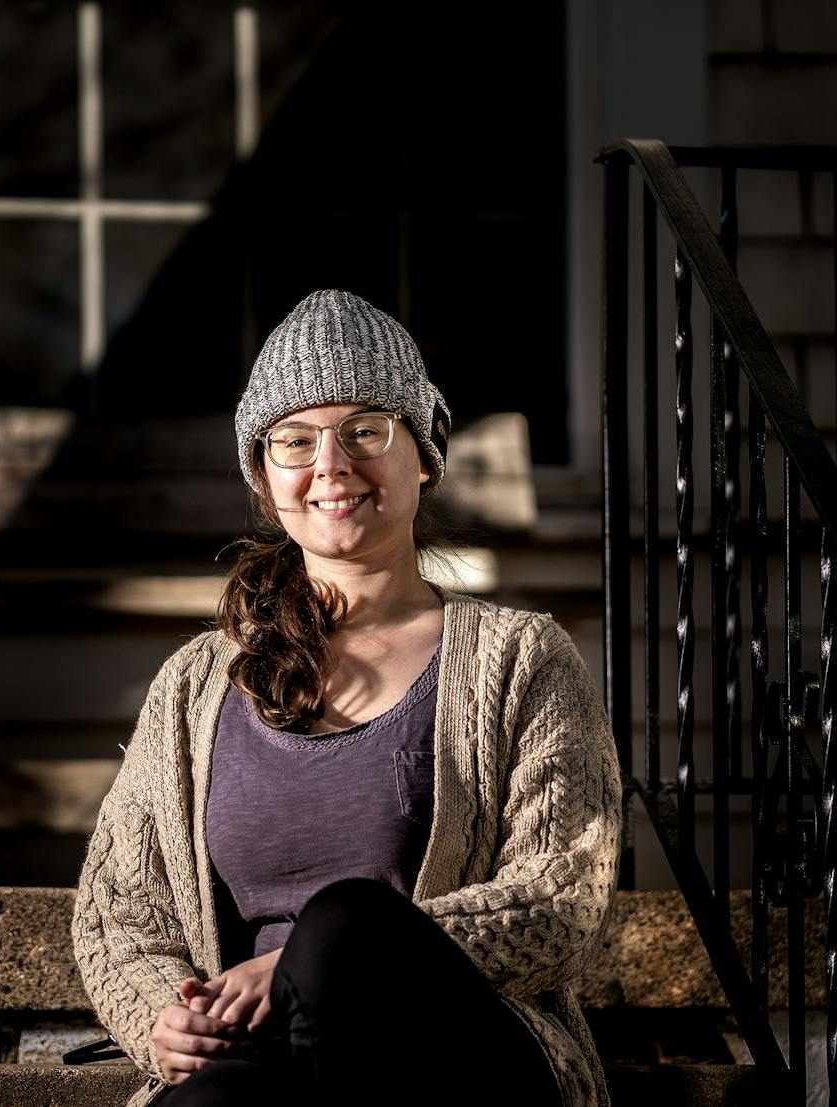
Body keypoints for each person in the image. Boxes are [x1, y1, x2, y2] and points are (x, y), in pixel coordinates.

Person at [72, 290, 621, 1107]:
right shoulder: (194, 683)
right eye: (294, 441)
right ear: (264, 478)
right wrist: (164, 1013)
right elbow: (120, 909)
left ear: (425, 453)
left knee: (342, 928)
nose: (330, 465)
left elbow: (561, 889)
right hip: (262, 1071)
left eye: (365, 431)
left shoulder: (521, 657)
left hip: (459, 1059)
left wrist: (304, 969)